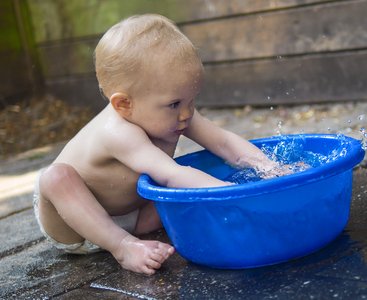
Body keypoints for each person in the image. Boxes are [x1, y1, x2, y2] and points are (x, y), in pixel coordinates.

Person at [34, 14, 277, 275]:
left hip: (135, 216)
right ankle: (123, 247)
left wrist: (271, 170)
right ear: (124, 105)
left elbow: (225, 142)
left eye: (191, 100)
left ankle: (129, 235)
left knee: (189, 189)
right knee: (56, 177)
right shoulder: (117, 132)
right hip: (73, 223)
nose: (186, 114)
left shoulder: (173, 113)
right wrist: (233, 194)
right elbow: (173, 176)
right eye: (175, 104)